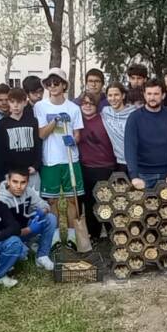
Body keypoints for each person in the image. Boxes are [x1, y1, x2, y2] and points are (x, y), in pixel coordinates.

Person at [33, 68, 84, 249]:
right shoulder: (40, 106)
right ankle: (54, 237)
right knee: (52, 201)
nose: (52, 86)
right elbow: (41, 134)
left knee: (71, 200)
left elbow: (77, 134)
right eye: (49, 83)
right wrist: (54, 121)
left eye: (56, 83)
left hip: (70, 159)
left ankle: (71, 236)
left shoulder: (74, 108)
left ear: (64, 85)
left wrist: (73, 140)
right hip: (50, 160)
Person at [124, 79, 167, 189]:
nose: (152, 97)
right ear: (144, 95)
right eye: (149, 94)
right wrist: (134, 176)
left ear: (163, 95)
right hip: (142, 175)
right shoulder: (134, 118)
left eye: (156, 94)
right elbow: (130, 148)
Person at [0, 167, 58, 270]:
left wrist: (42, 211)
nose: (19, 186)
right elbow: (6, 232)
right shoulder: (1, 200)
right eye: (15, 182)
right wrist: (30, 229)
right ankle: (8, 261)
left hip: (24, 229)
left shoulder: (28, 191)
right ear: (8, 181)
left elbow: (44, 204)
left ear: (27, 182)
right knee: (22, 253)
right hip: (7, 238)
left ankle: (42, 256)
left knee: (50, 218)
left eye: (23, 182)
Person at [76, 94, 118, 238]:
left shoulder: (105, 120)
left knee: (106, 201)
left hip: (105, 167)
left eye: (91, 103)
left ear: (97, 105)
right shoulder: (78, 121)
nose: (87, 106)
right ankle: (93, 234)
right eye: (84, 103)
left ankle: (112, 233)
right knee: (89, 202)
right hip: (85, 167)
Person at [0, 88, 41, 189]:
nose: (15, 105)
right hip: (11, 174)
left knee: (33, 198)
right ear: (9, 103)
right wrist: (2, 175)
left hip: (30, 172)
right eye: (12, 102)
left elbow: (38, 146)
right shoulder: (2, 124)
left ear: (25, 103)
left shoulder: (33, 122)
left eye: (19, 102)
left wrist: (36, 166)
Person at [101, 82, 137, 171]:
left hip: (137, 160)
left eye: (116, 95)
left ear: (123, 96)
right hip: (120, 162)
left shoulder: (134, 114)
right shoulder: (105, 112)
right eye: (110, 95)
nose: (113, 98)